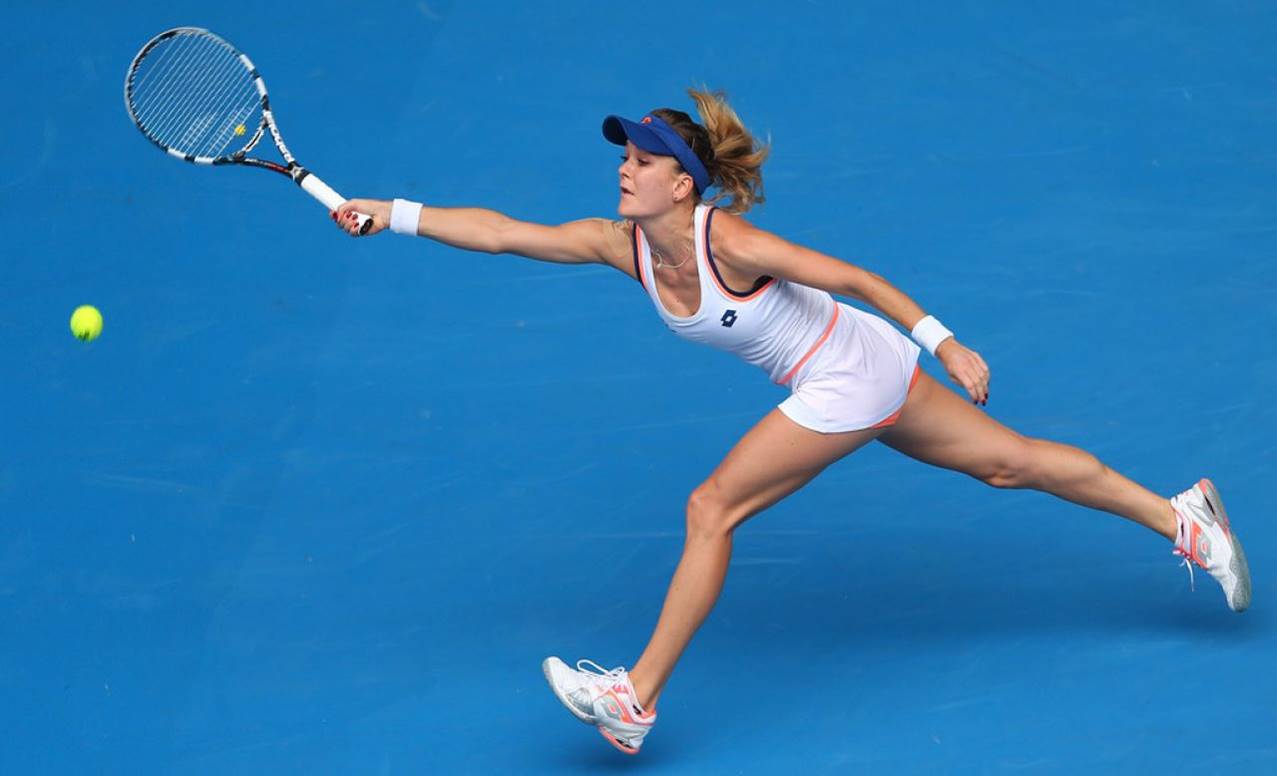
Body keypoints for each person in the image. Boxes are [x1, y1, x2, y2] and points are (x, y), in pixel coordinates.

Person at [331, 88, 1251, 755]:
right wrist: (391, 212)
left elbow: (847, 275)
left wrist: (945, 340)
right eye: (625, 155)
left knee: (711, 508)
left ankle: (634, 697)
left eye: (644, 161)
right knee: (1009, 465)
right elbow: (499, 231)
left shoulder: (725, 241)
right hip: (854, 367)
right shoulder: (620, 247)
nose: (624, 168)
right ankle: (1182, 516)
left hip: (851, 371)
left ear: (683, 185)